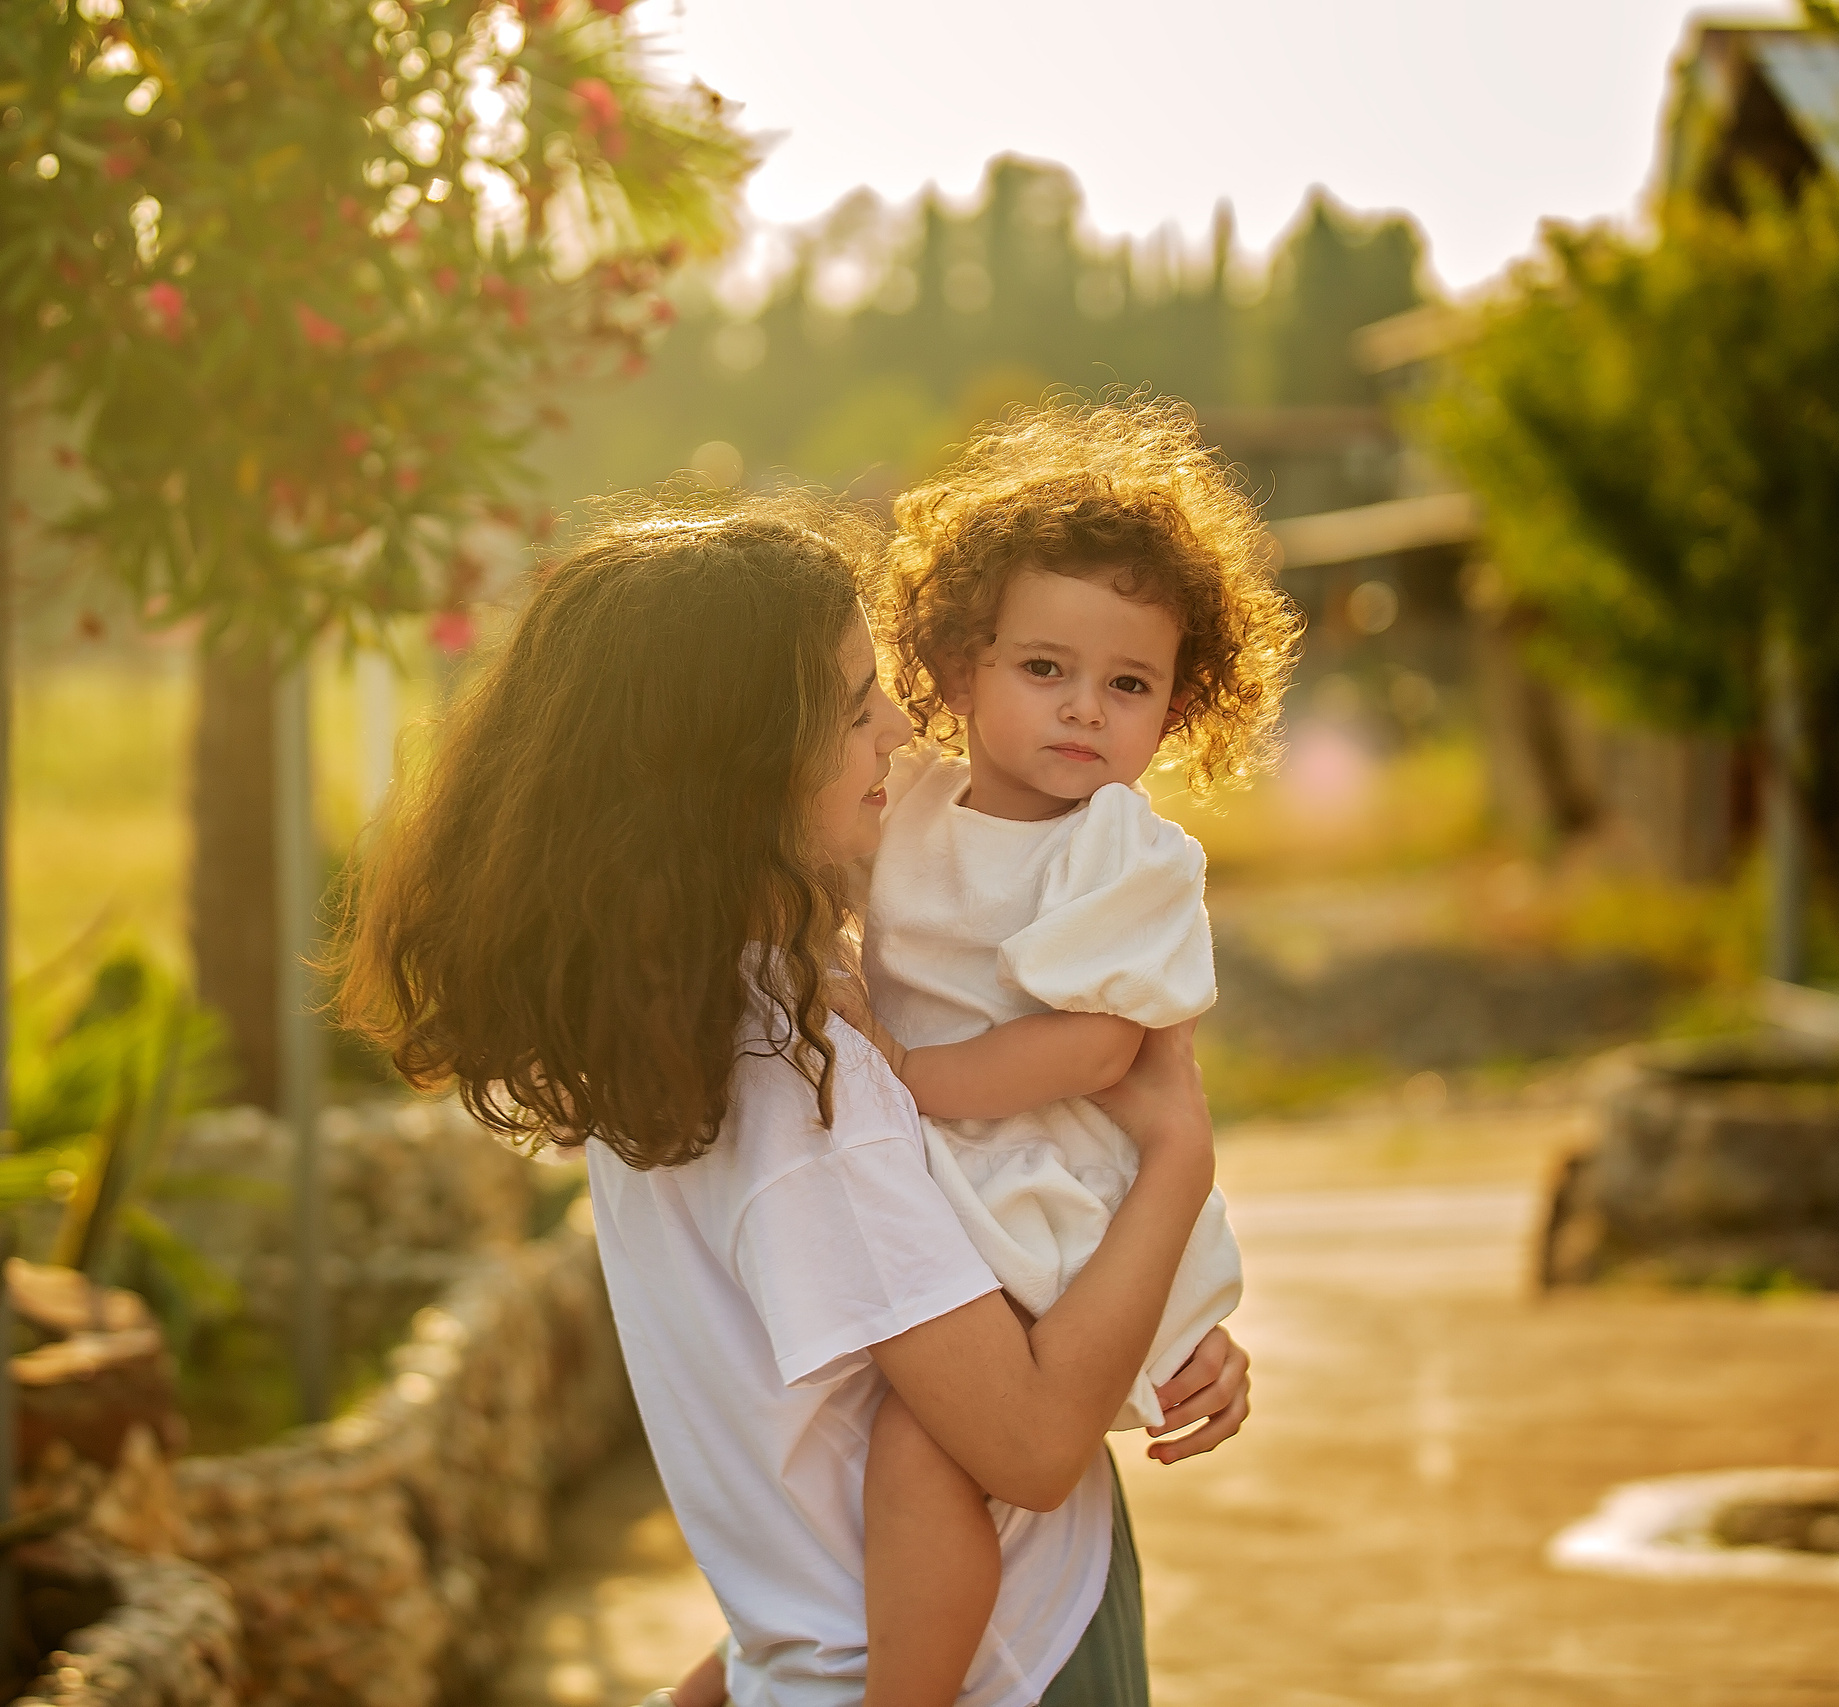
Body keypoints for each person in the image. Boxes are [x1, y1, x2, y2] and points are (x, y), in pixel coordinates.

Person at [338, 490, 1251, 1707]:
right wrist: (1178, 1157)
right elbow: (1026, 1448)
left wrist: (738, 1671)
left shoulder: (672, 1025)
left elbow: (799, 1444)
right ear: (734, 761)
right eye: (849, 699)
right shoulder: (809, 1082)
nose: (894, 726)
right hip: (1008, 1663)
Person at [833, 400, 1302, 1707]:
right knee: (888, 1450)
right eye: (1044, 668)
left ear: (1181, 704)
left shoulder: (1127, 848)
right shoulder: (906, 795)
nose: (1085, 710)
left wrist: (909, 1079)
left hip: (1046, 1183)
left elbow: (1100, 1050)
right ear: (960, 660)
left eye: (1129, 684)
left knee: (933, 1446)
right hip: (943, 1170)